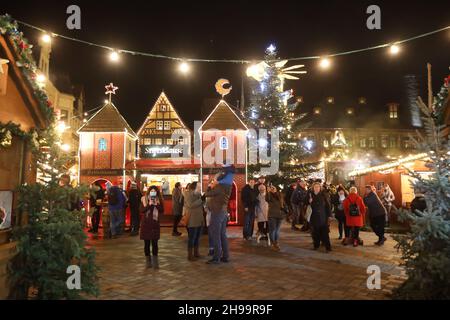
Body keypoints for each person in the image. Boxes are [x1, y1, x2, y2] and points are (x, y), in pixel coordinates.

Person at [204, 165, 234, 264]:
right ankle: (226, 256)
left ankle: (216, 258)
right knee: (222, 235)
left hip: (217, 212)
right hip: (223, 212)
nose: (213, 180)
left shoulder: (219, 187)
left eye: (214, 179)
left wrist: (209, 186)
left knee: (216, 235)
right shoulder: (228, 186)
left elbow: (207, 194)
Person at [140, 185, 164, 268]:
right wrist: (149, 205)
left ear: (157, 192)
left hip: (154, 224)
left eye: (155, 191)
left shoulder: (159, 200)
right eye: (151, 191)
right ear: (149, 191)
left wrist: (156, 204)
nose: (153, 192)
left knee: (155, 244)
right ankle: (148, 262)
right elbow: (142, 211)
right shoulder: (144, 199)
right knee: (146, 244)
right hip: (146, 224)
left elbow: (161, 210)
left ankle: (155, 262)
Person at [308, 182, 332, 252]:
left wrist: (329, 215)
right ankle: (316, 245)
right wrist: (309, 201)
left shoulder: (324, 195)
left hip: (323, 216)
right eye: (315, 187)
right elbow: (304, 202)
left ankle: (328, 247)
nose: (317, 188)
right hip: (313, 216)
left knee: (325, 233)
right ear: (313, 188)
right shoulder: (310, 195)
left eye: (318, 187)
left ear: (320, 188)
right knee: (315, 232)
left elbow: (328, 206)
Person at [183, 182, 204, 261]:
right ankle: (190, 255)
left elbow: (200, 204)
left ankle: (196, 252)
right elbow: (190, 205)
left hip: (199, 219)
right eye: (199, 186)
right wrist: (201, 200)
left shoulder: (198, 194)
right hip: (192, 219)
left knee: (197, 237)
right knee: (192, 237)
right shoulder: (188, 194)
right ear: (194, 187)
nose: (200, 187)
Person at [267, 185, 284, 251]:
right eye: (271, 188)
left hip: (280, 215)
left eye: (274, 188)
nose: (273, 189)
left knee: (277, 230)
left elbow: (283, 204)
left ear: (276, 189)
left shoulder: (280, 195)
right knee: (273, 230)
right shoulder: (269, 195)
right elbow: (267, 199)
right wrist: (268, 192)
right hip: (272, 215)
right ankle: (273, 243)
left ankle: (276, 242)